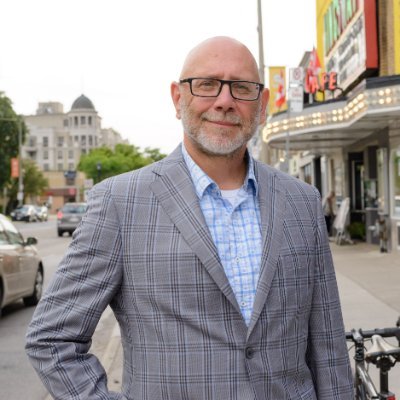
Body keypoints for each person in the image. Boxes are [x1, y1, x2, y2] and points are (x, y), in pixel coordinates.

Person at [26, 36, 353, 400]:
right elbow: (52, 339)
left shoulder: (301, 202)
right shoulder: (120, 203)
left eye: (242, 88)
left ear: (261, 106)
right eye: (207, 85)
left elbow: (328, 346)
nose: (225, 101)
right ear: (178, 97)